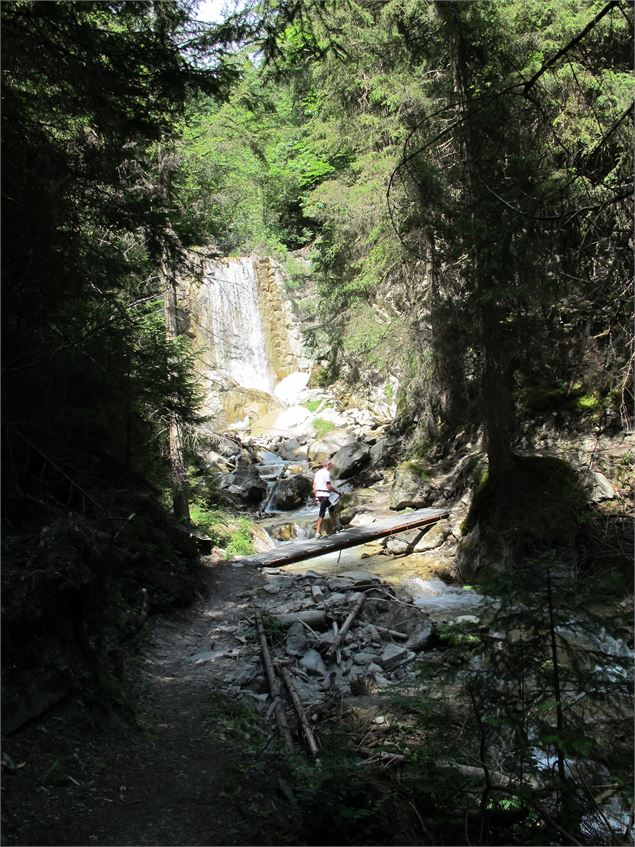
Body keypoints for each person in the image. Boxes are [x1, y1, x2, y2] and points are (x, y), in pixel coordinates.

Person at [312, 459, 343, 538]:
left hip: (319, 494)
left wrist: (316, 497)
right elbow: (328, 486)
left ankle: (336, 527)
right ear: (328, 465)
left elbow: (314, 486)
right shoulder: (326, 473)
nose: (331, 466)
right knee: (322, 514)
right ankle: (317, 533)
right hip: (324, 495)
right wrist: (338, 493)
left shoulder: (318, 472)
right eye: (331, 464)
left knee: (331, 508)